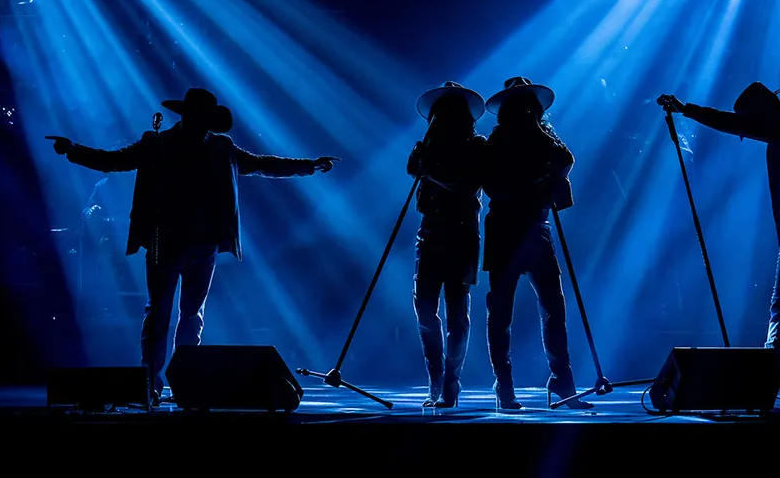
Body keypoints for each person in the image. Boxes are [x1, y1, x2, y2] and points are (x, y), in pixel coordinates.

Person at [46, 88, 340, 404]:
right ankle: (152, 385)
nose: (205, 124)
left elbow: (261, 164)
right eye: (201, 118)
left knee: (191, 316)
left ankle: (182, 380)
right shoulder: (156, 143)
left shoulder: (221, 147)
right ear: (189, 116)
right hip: (165, 242)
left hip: (204, 244)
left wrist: (308, 165)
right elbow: (114, 161)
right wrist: (73, 150)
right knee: (159, 313)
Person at [658, 82, 780, 410]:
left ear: (760, 111)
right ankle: (764, 385)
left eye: (748, 119)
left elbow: (738, 125)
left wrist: (686, 109)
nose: (747, 128)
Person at [481, 76, 593, 410]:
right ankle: (504, 385)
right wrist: (533, 183)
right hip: (505, 229)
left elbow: (566, 159)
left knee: (554, 309)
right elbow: (493, 187)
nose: (527, 110)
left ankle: (562, 381)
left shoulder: (545, 140)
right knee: (500, 312)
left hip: (537, 230)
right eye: (520, 105)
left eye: (530, 105)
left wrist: (540, 132)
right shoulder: (496, 141)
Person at [406, 81, 486, 408]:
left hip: (462, 233)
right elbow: (412, 170)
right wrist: (423, 157)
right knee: (424, 306)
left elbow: (467, 188)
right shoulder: (428, 148)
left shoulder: (477, 146)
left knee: (457, 313)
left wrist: (431, 172)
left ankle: (451, 382)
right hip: (430, 233)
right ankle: (435, 376)